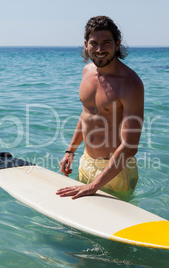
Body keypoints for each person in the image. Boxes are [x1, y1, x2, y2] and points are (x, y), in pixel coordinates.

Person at [56, 16, 144, 199]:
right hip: (86, 162)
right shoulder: (87, 71)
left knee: (118, 224)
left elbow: (130, 146)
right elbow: (87, 114)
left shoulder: (130, 84)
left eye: (106, 43)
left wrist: (94, 186)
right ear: (86, 44)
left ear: (117, 44)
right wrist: (70, 150)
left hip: (116, 172)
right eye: (94, 43)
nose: (99, 49)